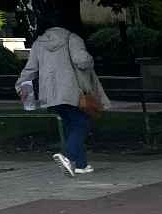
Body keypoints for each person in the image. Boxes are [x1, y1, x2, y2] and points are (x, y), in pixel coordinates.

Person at [15, 17, 110, 177]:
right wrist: (90, 60)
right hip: (71, 90)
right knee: (82, 124)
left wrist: (20, 85)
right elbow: (82, 61)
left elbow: (30, 69)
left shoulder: (39, 43)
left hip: (49, 93)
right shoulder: (72, 38)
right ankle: (68, 156)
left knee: (69, 125)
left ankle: (81, 165)